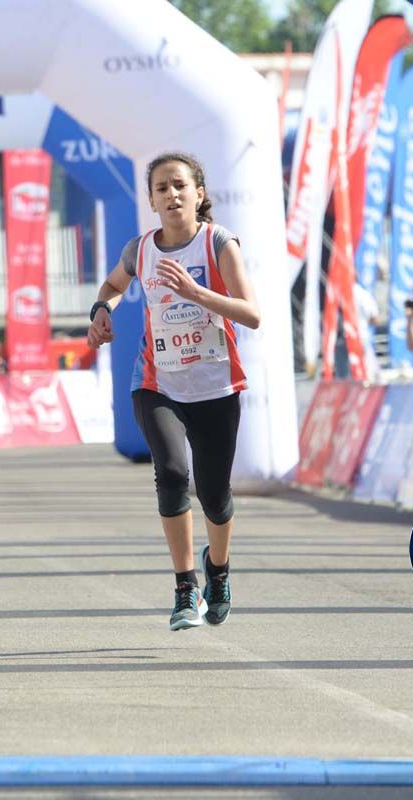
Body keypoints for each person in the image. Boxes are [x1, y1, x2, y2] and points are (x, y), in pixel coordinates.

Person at [86, 151, 260, 631]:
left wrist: (197, 293)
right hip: (156, 382)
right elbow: (112, 284)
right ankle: (186, 588)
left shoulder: (219, 243)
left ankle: (217, 571)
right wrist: (101, 309)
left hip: (215, 384)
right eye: (162, 188)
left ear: (198, 193)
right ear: (152, 201)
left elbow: (253, 313)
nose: (172, 194)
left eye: (180, 185)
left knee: (215, 494)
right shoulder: (140, 249)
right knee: (170, 473)